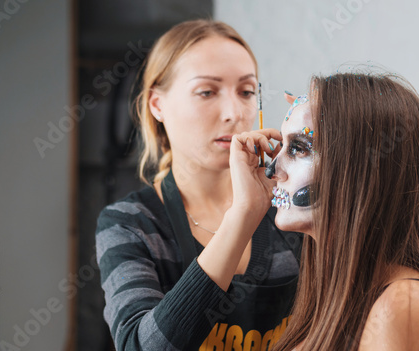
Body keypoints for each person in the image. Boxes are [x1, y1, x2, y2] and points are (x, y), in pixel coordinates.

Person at [95, 19, 301, 351]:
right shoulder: (130, 224)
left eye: (246, 92)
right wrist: (243, 216)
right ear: (157, 105)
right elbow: (139, 347)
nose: (233, 113)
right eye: (206, 91)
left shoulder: (292, 210)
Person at [232, 72, 419, 350]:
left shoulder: (403, 302)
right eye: (281, 147)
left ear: (361, 168)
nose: (272, 169)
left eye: (298, 148)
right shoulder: (329, 297)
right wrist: (243, 211)